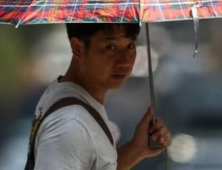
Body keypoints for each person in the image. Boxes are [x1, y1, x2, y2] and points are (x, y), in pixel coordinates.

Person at [24, 23, 172, 170]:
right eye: (111, 48)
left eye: (130, 46)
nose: (124, 62)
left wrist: (136, 149)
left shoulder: (66, 93)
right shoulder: (71, 124)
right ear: (78, 48)